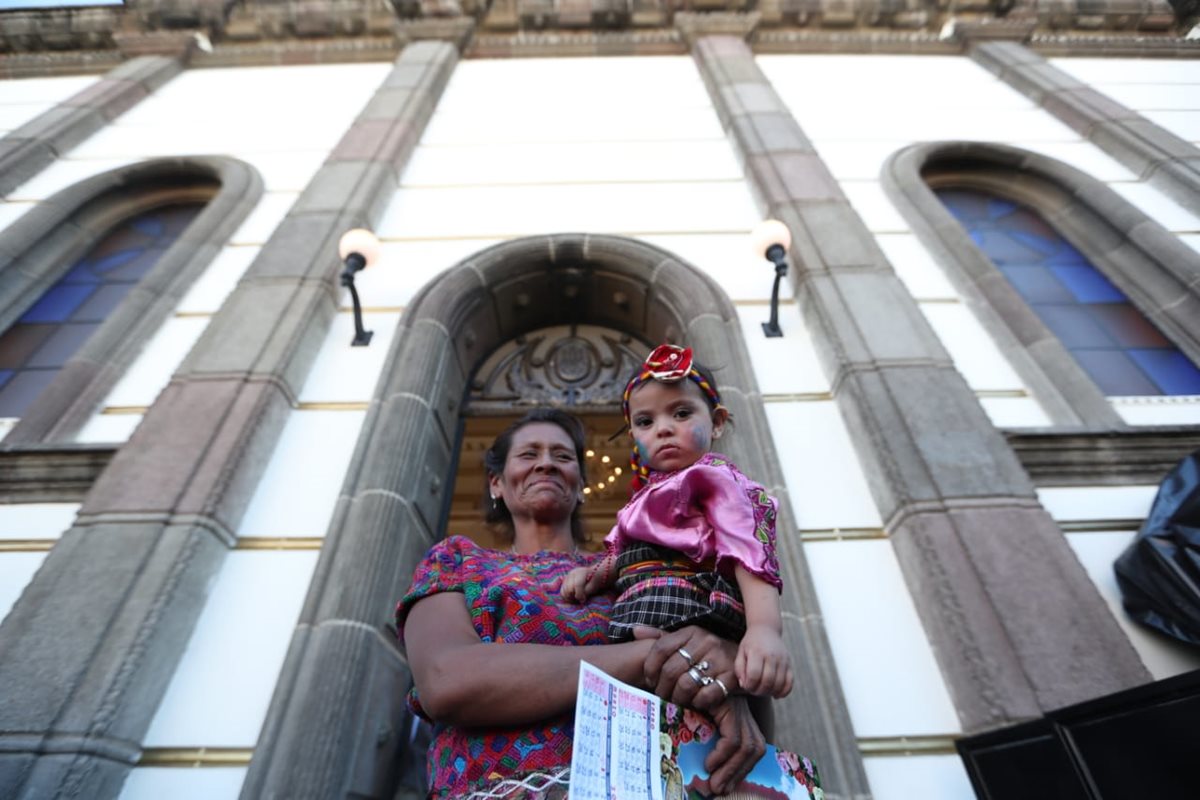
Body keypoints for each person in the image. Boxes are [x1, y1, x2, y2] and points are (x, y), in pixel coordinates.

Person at [395, 408, 769, 800]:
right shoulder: (459, 561)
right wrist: (644, 658)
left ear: (579, 484)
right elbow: (447, 680)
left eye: (562, 456)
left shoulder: (637, 568)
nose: (545, 464)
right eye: (528, 455)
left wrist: (727, 669)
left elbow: (721, 667)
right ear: (496, 484)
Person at [561, 344, 793, 700]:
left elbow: (750, 552)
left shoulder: (713, 479)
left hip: (695, 614)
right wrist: (593, 576)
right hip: (639, 620)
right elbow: (624, 554)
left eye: (681, 413)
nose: (663, 429)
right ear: (633, 438)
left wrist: (764, 629)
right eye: (645, 422)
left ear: (716, 422)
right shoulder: (642, 497)